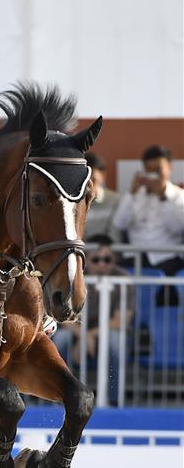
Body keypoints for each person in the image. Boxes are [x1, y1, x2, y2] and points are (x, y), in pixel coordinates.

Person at [52, 234, 134, 405]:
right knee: (60, 340)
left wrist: (89, 335)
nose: (102, 264)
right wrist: (83, 336)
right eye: (96, 259)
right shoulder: (74, 277)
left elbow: (120, 322)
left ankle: (112, 401)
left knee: (115, 342)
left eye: (107, 259)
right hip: (76, 330)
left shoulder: (124, 279)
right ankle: (59, 397)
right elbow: (63, 317)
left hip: (105, 331)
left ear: (114, 260)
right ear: (87, 259)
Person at [112, 145, 184, 276]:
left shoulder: (179, 196)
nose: (153, 175)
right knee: (117, 273)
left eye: (157, 170)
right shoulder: (134, 195)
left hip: (167, 257)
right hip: (135, 257)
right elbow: (119, 223)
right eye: (149, 170)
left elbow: (177, 229)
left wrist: (163, 198)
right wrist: (132, 193)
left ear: (169, 168)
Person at [83, 152, 120, 242]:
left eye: (93, 180)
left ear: (102, 176)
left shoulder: (115, 199)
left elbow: (116, 231)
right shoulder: (73, 202)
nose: (90, 186)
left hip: (109, 253)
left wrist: (108, 248)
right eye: (86, 181)